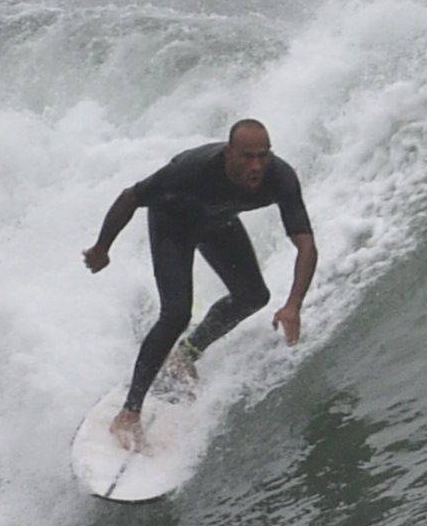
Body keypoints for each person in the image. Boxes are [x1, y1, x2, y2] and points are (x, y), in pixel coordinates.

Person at [85, 116, 318, 451]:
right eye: (248, 156)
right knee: (176, 313)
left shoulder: (280, 177)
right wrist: (101, 248)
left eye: (263, 156)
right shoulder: (193, 169)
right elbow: (131, 197)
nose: (257, 166)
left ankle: (186, 354)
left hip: (217, 224)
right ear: (229, 154)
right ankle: (129, 412)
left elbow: (306, 244)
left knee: (253, 295)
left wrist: (294, 304)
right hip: (172, 226)